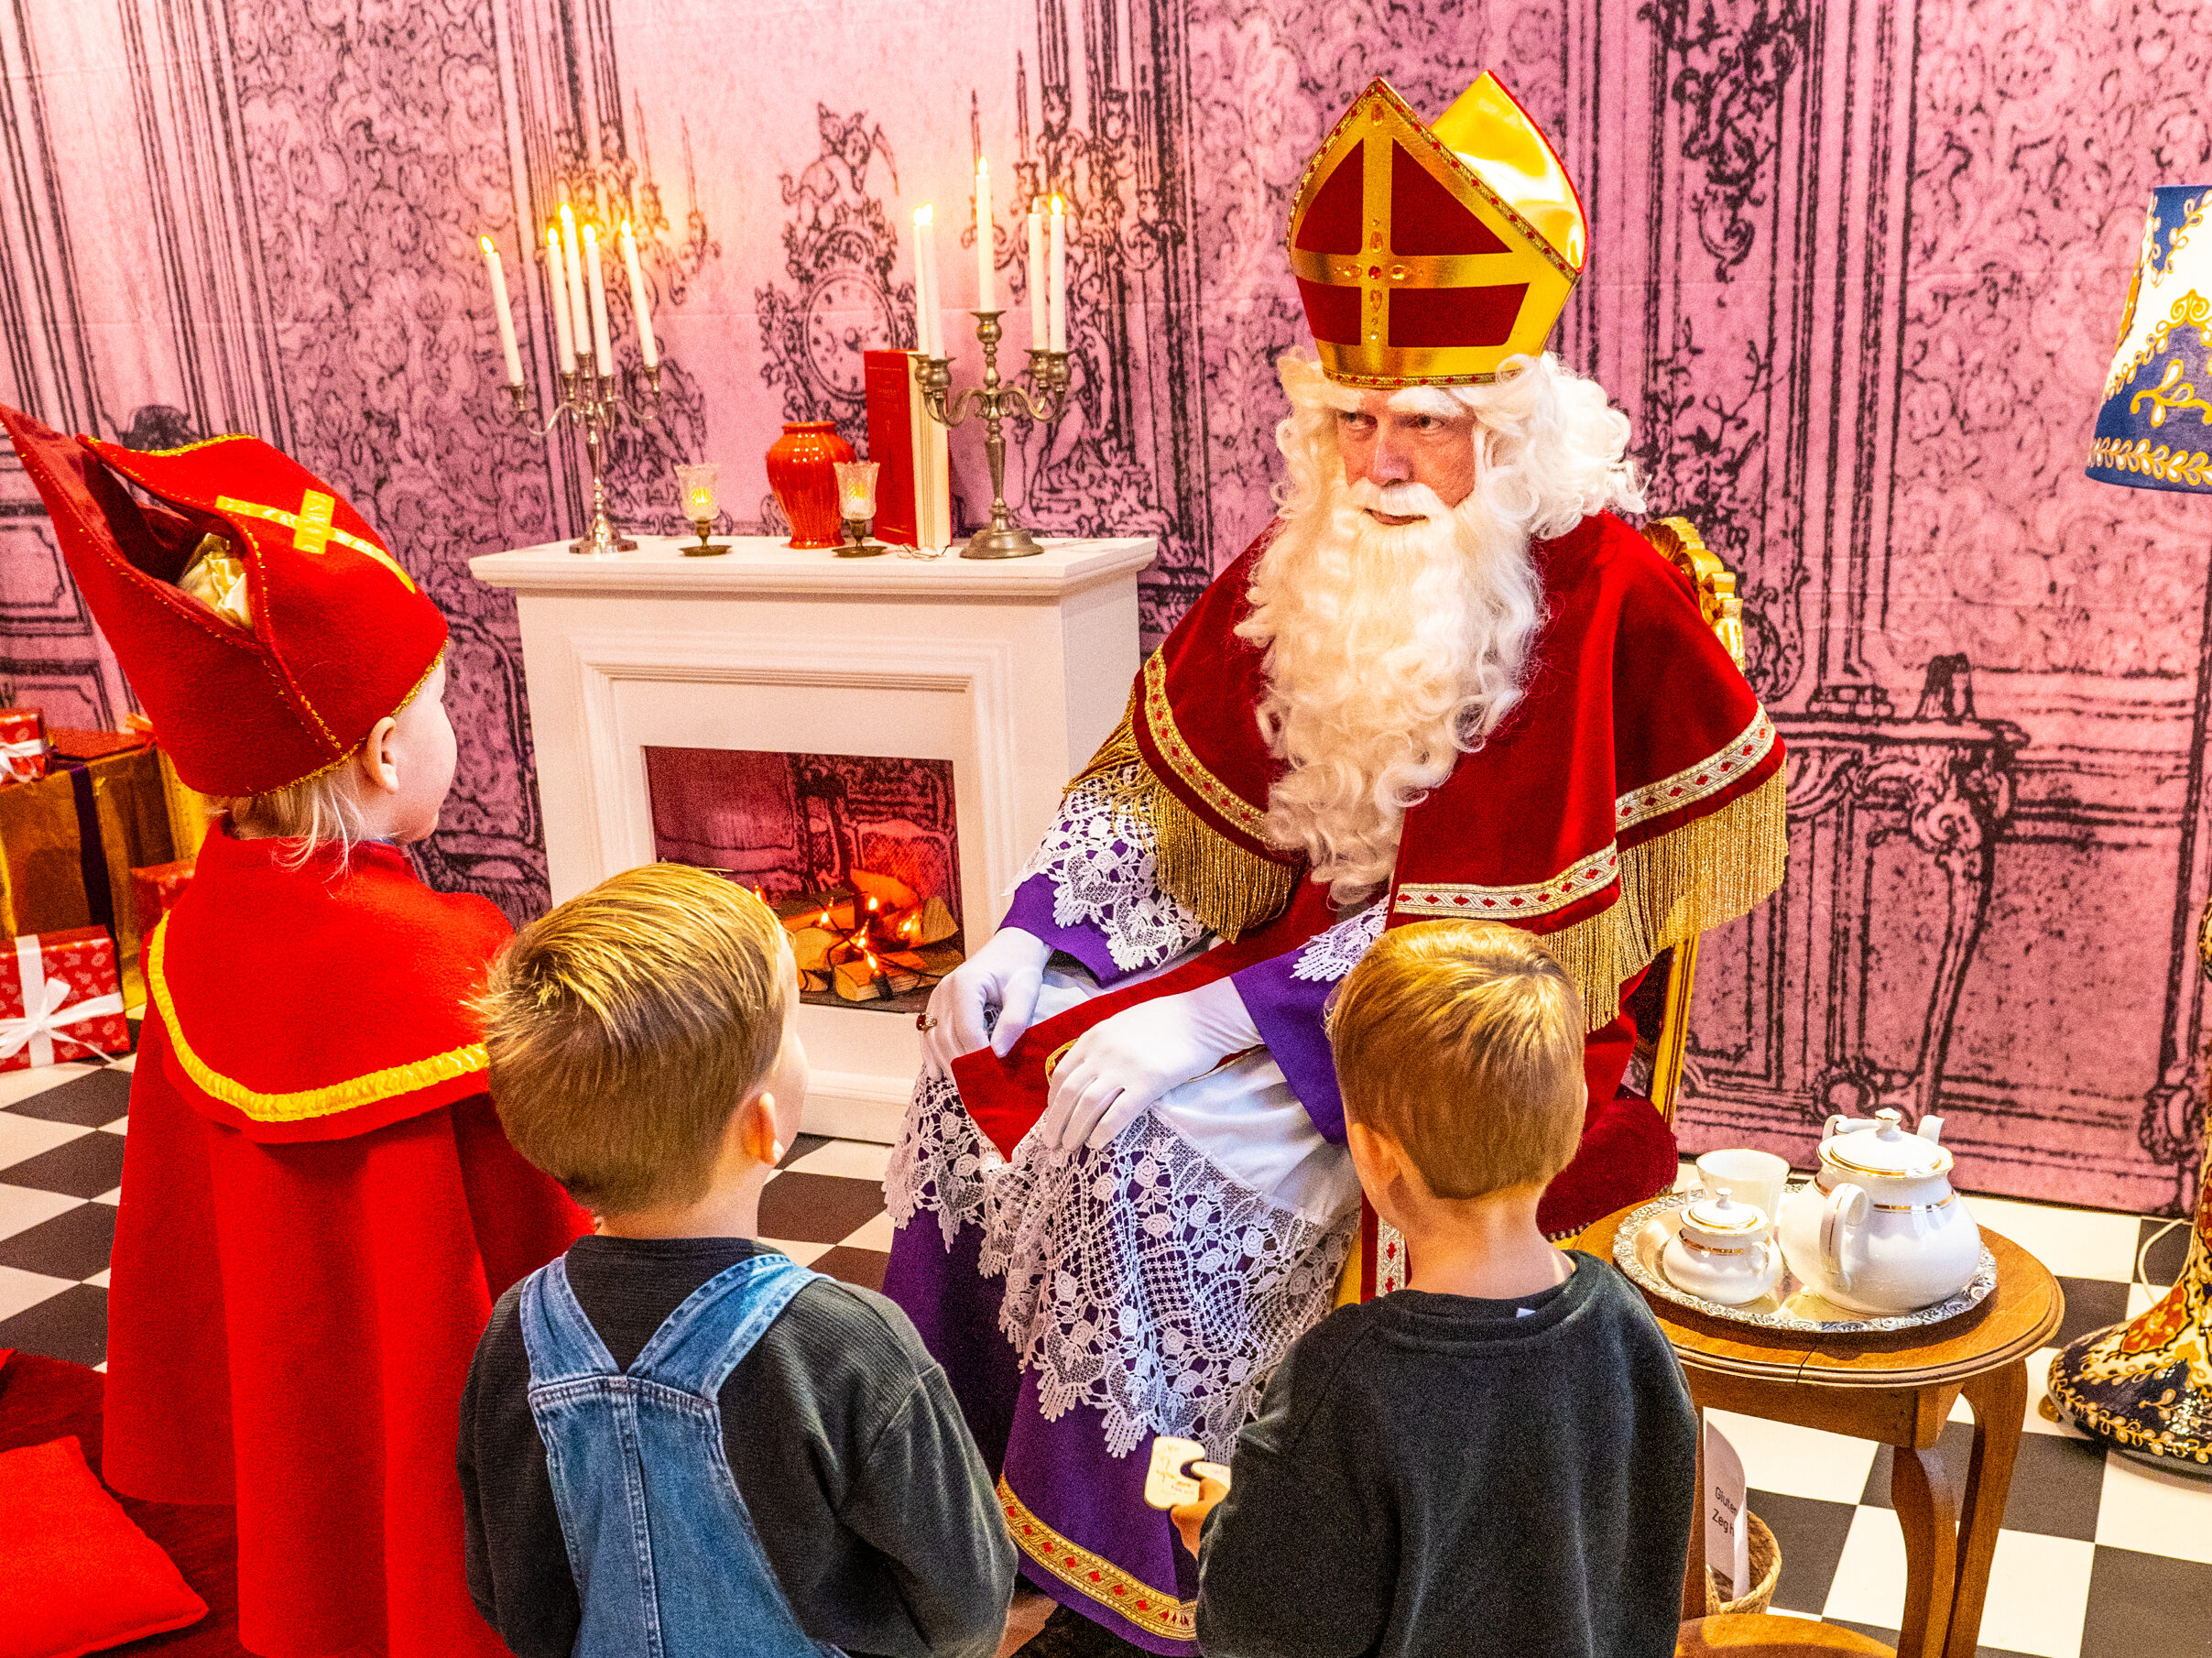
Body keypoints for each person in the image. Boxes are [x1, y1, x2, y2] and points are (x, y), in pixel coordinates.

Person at [883, 72, 1783, 1655]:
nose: (1375, 462)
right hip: (1286, 962)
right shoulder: (1320, 548)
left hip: (1486, 1022)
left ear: (1505, 426)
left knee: (1138, 1150)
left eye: (1423, 425)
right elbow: (1171, 790)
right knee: (971, 1077)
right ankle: (984, 1512)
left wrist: (1215, 1027)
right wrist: (1041, 939)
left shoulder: (1598, 589)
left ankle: (1191, 1575)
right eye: (1349, 418)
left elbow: (1510, 937)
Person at [0, 405, 592, 1658]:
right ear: (383, 750)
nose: (454, 731)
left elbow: (179, 1242)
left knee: (325, 1519)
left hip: (294, 1394)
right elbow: (551, 1240)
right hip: (445, 1405)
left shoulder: (200, 926)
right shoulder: (448, 960)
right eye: (438, 708)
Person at [459, 863, 1016, 1658]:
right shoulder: (849, 1342)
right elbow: (965, 1609)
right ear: (765, 1126)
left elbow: (503, 1583)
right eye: (792, 1030)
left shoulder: (516, 1328)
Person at [1170, 919, 1697, 1658]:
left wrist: (1221, 1531)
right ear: (1576, 1115)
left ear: (1374, 1155)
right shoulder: (1625, 1321)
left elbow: (1259, 1634)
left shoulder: (1344, 1379)